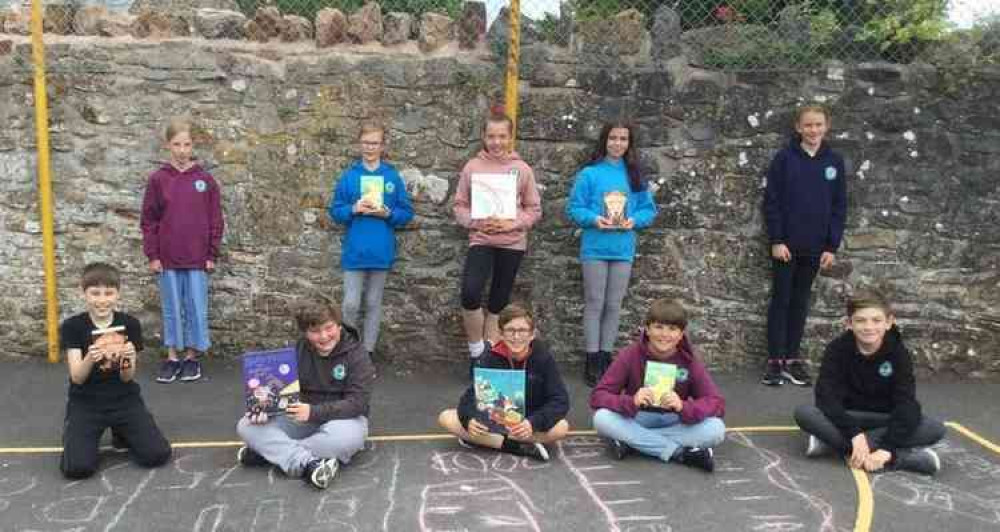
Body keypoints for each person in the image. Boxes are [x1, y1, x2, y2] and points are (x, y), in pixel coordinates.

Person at [794, 290, 945, 475]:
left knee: (934, 428)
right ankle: (902, 458)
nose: (868, 327)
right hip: (849, 416)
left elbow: (907, 404)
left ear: (889, 322)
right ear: (849, 323)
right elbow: (825, 398)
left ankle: (832, 445)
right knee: (805, 413)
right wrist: (855, 435)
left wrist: (886, 449)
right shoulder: (837, 349)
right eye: (861, 320)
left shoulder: (898, 353)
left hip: (884, 419)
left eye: (876, 320)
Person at [236, 296, 374, 489]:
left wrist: (313, 412)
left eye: (329, 328)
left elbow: (358, 403)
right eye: (315, 331)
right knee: (246, 425)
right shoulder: (299, 349)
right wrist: (263, 408)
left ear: (339, 325)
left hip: (344, 420)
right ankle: (308, 463)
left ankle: (271, 454)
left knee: (345, 439)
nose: (324, 336)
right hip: (301, 416)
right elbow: (280, 389)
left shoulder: (358, 355)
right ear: (305, 332)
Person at [59, 262, 172, 479]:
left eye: (109, 293)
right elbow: (77, 377)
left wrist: (128, 359)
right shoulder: (73, 326)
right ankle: (74, 432)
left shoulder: (129, 325)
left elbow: (127, 377)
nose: (102, 300)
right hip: (86, 400)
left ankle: (122, 433)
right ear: (84, 294)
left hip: (123, 398)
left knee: (156, 454)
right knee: (77, 468)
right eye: (95, 293)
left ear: (118, 293)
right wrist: (90, 358)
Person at [566, 121, 657, 386]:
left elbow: (648, 210)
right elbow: (575, 208)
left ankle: (606, 356)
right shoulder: (589, 174)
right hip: (595, 246)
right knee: (595, 302)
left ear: (629, 143)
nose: (618, 143)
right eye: (613, 138)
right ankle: (592, 358)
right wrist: (594, 219)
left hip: (622, 248)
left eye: (623, 139)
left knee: (614, 304)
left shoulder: (635, 175)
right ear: (605, 141)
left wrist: (633, 221)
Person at [761, 104, 846, 387]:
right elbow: (772, 201)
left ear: (827, 126)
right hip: (786, 246)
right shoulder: (784, 159)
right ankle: (775, 361)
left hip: (815, 247)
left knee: (800, 302)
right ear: (798, 128)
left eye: (818, 125)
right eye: (808, 125)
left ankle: (793, 359)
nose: (813, 130)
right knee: (781, 301)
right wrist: (777, 240)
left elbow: (839, 206)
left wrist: (831, 246)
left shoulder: (834, 162)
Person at [590, 299, 725, 472]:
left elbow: (716, 402)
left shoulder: (688, 360)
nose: (665, 334)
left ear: (681, 333)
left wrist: (684, 407)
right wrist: (631, 401)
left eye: (672, 329)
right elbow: (598, 395)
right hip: (638, 418)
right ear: (647, 329)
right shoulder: (630, 355)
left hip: (674, 420)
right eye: (659, 327)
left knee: (716, 429)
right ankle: (680, 453)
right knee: (602, 418)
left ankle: (632, 444)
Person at [453, 111, 541, 372]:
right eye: (491, 136)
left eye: (502, 136)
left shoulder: (522, 169)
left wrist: (512, 223)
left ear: (510, 137)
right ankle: (476, 350)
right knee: (470, 293)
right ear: (483, 136)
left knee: (498, 301)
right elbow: (459, 206)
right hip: (481, 239)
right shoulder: (472, 167)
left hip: (512, 243)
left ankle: (488, 358)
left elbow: (534, 210)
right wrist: (475, 222)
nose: (496, 142)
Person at [141, 117, 225, 383]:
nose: (182, 149)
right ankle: (172, 357)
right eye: (177, 144)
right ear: (168, 146)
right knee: (172, 308)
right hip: (167, 258)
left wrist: (211, 254)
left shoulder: (205, 180)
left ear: (192, 146)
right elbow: (149, 220)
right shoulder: (158, 179)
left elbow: (215, 220)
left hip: (197, 257)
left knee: (195, 308)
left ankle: (191, 357)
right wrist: (153, 255)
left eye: (186, 144)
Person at [328, 123, 414, 370]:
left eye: (375, 143)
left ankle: (367, 354)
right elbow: (336, 210)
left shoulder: (391, 176)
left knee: (374, 303)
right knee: (351, 303)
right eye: (366, 142)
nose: (370, 147)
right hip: (355, 250)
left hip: (381, 250)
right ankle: (347, 350)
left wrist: (388, 214)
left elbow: (406, 212)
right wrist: (353, 209)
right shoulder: (350, 176)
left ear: (382, 146)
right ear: (359, 144)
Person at [438, 303, 570, 461]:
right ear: (500, 333)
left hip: (528, 421)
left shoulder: (543, 358)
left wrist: (533, 422)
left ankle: (488, 442)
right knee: (446, 418)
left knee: (561, 428)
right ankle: (517, 446)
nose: (516, 337)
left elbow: (560, 401)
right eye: (510, 330)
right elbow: (470, 397)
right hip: (495, 420)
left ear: (532, 334)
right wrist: (469, 420)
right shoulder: (490, 357)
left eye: (522, 331)